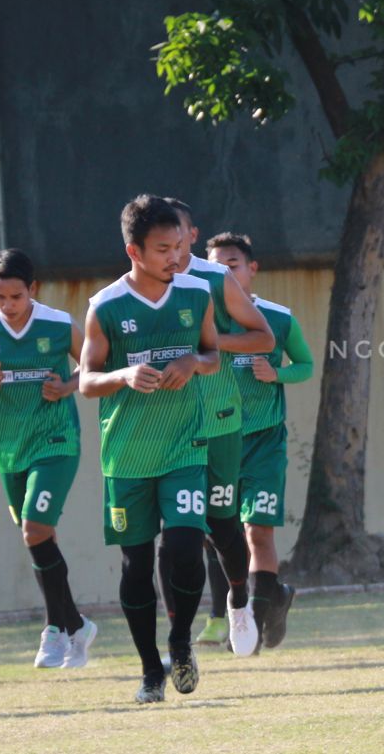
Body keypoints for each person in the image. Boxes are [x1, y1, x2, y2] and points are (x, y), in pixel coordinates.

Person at [80, 194, 220, 703]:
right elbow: (87, 381)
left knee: (184, 547)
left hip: (185, 446)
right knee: (135, 567)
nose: (175, 257)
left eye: (179, 246)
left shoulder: (196, 294)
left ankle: (180, 642)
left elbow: (212, 353)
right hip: (127, 457)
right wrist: (121, 374)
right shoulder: (106, 307)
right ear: (133, 251)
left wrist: (193, 363)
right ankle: (149, 672)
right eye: (163, 249)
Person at [0, 248, 97, 667]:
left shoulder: (59, 324)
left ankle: (52, 631)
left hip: (56, 443)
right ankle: (77, 627)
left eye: (16, 296)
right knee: (40, 538)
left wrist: (67, 386)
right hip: (10, 453)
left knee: (34, 529)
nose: (8, 306)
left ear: (33, 289)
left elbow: (96, 366)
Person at [164, 199, 274, 656]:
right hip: (165, 429)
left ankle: (238, 599)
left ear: (191, 234)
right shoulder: (132, 291)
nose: (168, 251)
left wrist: (210, 344)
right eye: (157, 243)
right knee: (176, 535)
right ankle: (178, 642)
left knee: (223, 525)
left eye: (176, 236)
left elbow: (265, 337)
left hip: (220, 419)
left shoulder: (215, 280)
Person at [207, 232, 314, 649]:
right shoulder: (200, 319)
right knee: (223, 531)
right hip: (217, 440)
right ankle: (273, 599)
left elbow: (305, 364)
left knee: (259, 533)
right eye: (215, 266)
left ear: (252, 269)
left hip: (264, 441)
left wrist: (279, 374)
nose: (223, 273)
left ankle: (253, 619)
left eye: (231, 264)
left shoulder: (278, 318)